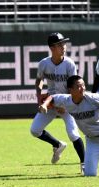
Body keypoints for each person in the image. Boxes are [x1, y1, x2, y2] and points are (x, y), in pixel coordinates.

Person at [30, 33, 85, 172]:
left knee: (73, 134)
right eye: (60, 44)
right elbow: (39, 81)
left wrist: (65, 104)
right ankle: (58, 144)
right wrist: (39, 99)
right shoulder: (44, 63)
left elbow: (74, 85)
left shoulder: (69, 64)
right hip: (50, 102)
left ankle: (84, 164)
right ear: (52, 47)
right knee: (35, 130)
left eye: (64, 44)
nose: (63, 47)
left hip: (67, 102)